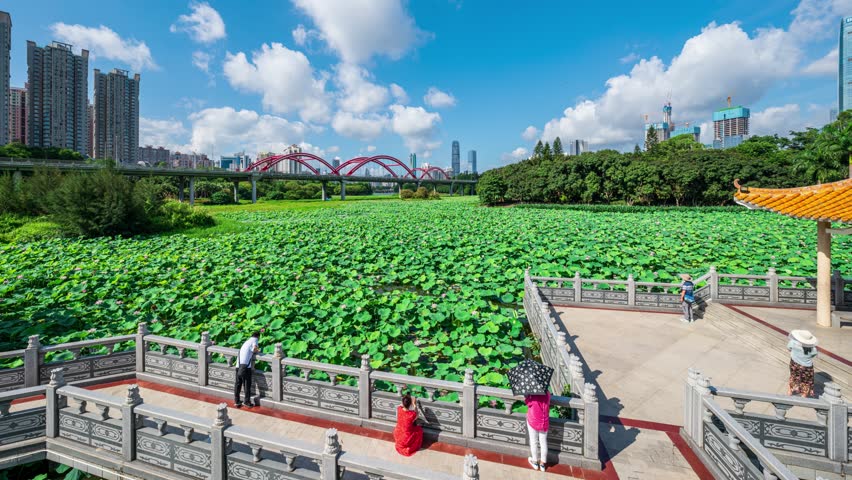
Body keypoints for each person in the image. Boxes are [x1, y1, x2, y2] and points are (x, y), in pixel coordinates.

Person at [787, 330, 818, 398]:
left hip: (794, 364)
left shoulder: (793, 343)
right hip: (806, 367)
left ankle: (790, 391)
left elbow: (789, 348)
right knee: (806, 381)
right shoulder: (813, 349)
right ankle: (804, 395)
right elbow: (813, 355)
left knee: (793, 376)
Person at [525, 391, 551, 471]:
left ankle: (535, 461)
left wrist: (526, 396)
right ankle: (542, 464)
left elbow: (528, 404)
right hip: (544, 422)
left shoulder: (533, 394)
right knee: (543, 442)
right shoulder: (547, 393)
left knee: (534, 441)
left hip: (533, 420)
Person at [234, 331, 260, 408]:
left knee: (238, 384)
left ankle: (237, 401)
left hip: (238, 365)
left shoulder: (247, 341)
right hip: (246, 367)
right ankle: (247, 402)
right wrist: (258, 351)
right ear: (258, 336)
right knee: (247, 384)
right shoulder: (255, 340)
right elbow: (254, 349)